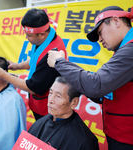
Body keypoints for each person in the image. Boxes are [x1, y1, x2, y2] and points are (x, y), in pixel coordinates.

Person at [47, 6, 133, 150]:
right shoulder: (122, 49)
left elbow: (96, 85)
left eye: (100, 32)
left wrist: (59, 63)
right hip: (119, 135)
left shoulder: (130, 50)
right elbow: (103, 88)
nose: (99, 39)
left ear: (116, 21)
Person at [0, 8, 67, 120]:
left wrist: (4, 76)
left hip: (47, 110)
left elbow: (32, 87)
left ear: (41, 34)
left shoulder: (52, 55)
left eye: (29, 36)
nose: (26, 38)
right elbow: (35, 61)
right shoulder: (46, 38)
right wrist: (16, 66)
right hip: (38, 103)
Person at [28, 76, 99, 150]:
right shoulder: (39, 123)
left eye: (58, 96)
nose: (50, 100)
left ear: (74, 103)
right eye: (51, 93)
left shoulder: (84, 141)